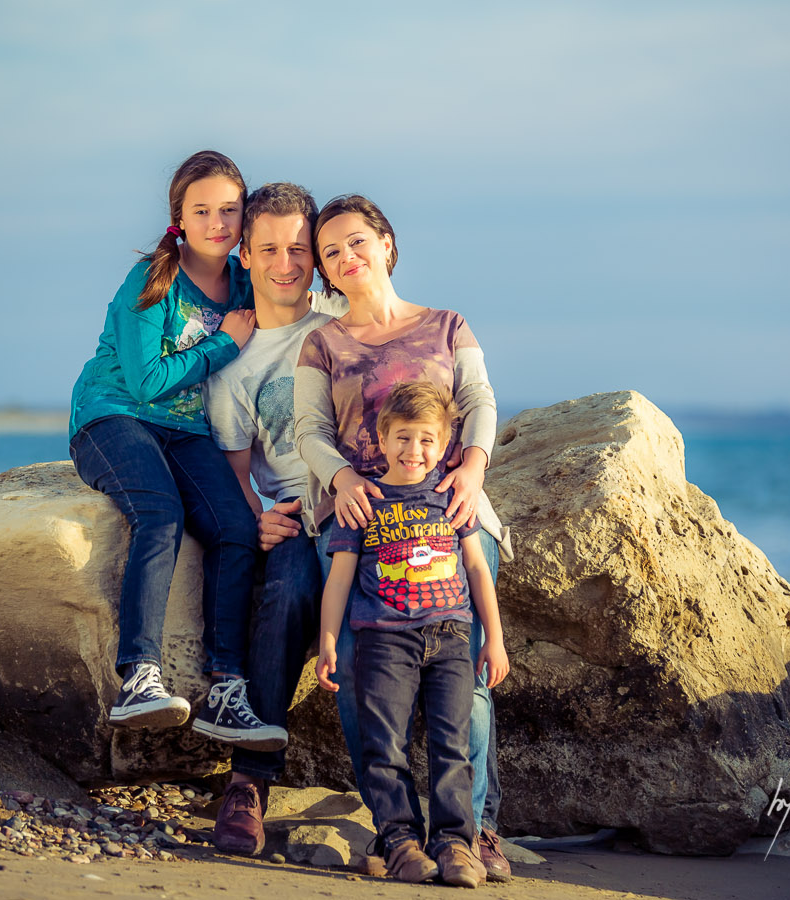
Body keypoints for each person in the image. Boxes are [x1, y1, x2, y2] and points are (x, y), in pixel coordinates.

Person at [292, 193, 515, 880]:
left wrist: (474, 468)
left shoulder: (447, 325)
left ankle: (473, 832)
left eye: (356, 242)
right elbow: (310, 433)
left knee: (469, 679)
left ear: (386, 243)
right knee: (360, 679)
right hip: (362, 528)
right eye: (330, 252)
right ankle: (397, 835)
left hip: (452, 519)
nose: (345, 257)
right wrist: (340, 481)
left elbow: (479, 402)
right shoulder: (321, 343)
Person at [67, 150, 284, 751]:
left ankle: (227, 693)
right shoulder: (152, 280)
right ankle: (139, 679)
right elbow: (148, 382)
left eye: (230, 211)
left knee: (237, 526)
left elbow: (295, 307)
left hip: (187, 431)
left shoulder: (244, 281)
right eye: (203, 211)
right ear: (179, 219)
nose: (218, 223)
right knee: (160, 513)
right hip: (113, 419)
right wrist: (225, 343)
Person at [201, 181, 347, 855]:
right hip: (300, 515)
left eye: (298, 248)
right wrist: (255, 516)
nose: (286, 263)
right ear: (247, 255)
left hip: (376, 508)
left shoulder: (342, 316)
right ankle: (248, 783)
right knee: (283, 590)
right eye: (270, 249)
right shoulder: (234, 364)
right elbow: (235, 472)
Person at [316, 382, 509, 887]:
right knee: (386, 745)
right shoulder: (363, 502)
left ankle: (455, 845)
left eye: (427, 440)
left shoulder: (450, 497)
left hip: (450, 638)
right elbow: (339, 578)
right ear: (381, 439)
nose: (414, 451)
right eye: (402, 437)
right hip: (384, 640)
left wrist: (495, 638)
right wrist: (330, 641)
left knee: (453, 743)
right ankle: (400, 842)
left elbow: (477, 569)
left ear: (444, 446)